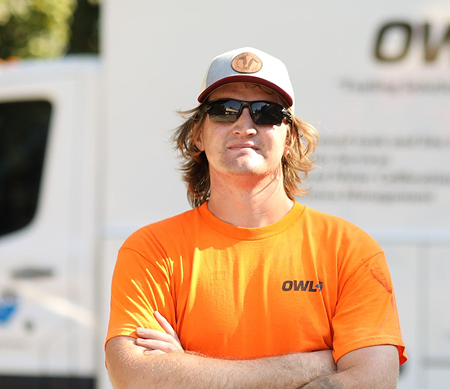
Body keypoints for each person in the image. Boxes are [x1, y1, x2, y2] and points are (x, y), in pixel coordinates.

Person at [104, 47, 406, 389]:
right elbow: (135, 377)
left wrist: (184, 369)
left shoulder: (349, 250)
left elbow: (374, 381)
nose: (244, 125)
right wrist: (318, 363)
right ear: (198, 135)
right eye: (224, 110)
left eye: (266, 113)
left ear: (289, 138)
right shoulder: (151, 250)